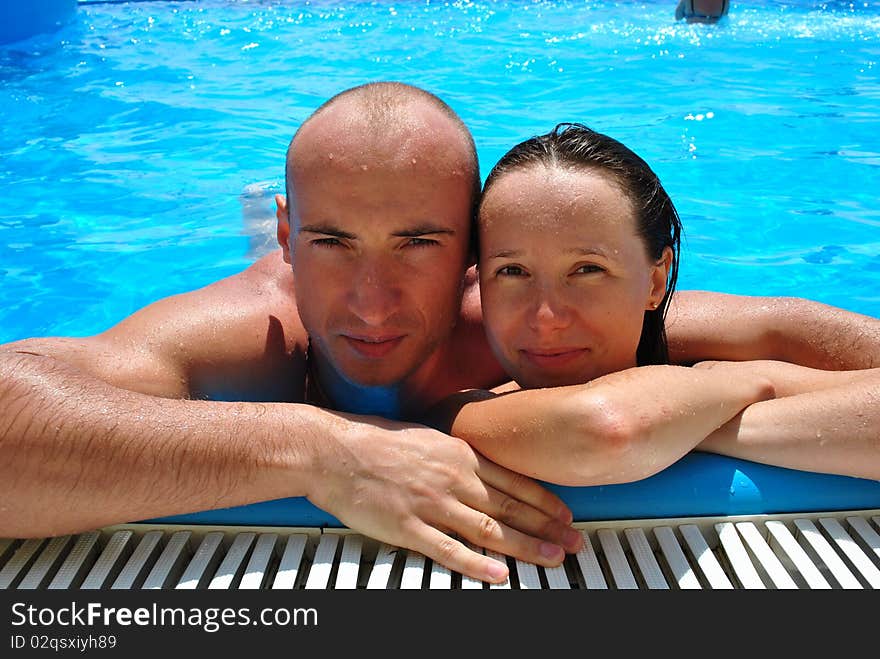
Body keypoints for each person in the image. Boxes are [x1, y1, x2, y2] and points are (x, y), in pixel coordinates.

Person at [1, 83, 878, 585]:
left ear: (470, 251)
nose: (373, 301)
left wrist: (718, 394)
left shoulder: (521, 318)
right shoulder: (259, 333)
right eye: (331, 243)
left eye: (418, 243)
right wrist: (317, 447)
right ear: (288, 243)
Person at [423, 123, 880, 485]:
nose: (547, 317)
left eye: (587, 270)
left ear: (655, 279)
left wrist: (687, 411)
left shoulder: (698, 348)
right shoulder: (456, 408)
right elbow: (606, 431)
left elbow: (786, 323)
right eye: (513, 272)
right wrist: (743, 382)